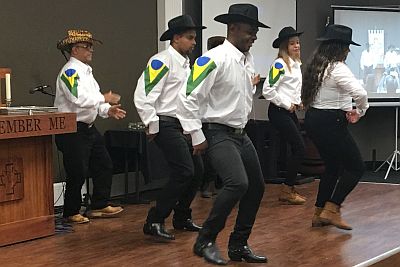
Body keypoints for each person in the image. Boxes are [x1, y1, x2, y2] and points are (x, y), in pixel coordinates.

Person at [177, 4, 269, 265]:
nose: (254, 36)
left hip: (241, 134)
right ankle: (204, 240)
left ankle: (238, 245)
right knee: (237, 183)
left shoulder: (245, 60)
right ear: (232, 28)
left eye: (256, 32)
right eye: (250, 31)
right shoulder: (213, 59)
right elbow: (187, 97)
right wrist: (196, 135)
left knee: (257, 187)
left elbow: (235, 96)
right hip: (218, 132)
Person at [134, 15, 205, 241]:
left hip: (182, 124)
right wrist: (152, 124)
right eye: (190, 38)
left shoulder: (186, 64)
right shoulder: (161, 61)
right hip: (165, 123)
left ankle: (182, 217)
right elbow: (144, 95)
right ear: (176, 38)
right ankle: (154, 220)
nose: (194, 43)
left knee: (198, 171)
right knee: (184, 171)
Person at [301, 24, 369, 230]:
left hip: (314, 120)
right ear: (340, 47)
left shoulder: (318, 66)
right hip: (331, 122)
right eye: (347, 46)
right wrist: (360, 110)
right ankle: (332, 209)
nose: (349, 51)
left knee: (332, 167)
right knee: (356, 167)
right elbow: (361, 94)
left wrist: (348, 107)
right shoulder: (338, 68)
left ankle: (318, 212)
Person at [55, 30, 126, 224]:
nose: (91, 50)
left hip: (87, 127)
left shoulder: (87, 72)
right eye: (87, 47)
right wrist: (105, 98)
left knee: (104, 164)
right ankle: (71, 212)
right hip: (71, 129)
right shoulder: (69, 71)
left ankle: (99, 205)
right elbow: (78, 99)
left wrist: (106, 110)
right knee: (77, 171)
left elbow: (93, 101)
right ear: (75, 49)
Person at [262, 26, 306, 205]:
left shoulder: (296, 65)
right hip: (279, 112)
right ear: (284, 46)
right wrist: (287, 104)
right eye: (292, 44)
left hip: (289, 111)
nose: (296, 46)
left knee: (296, 148)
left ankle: (288, 188)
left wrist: (298, 101)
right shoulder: (279, 64)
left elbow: (291, 89)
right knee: (300, 147)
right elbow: (267, 90)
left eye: (297, 43)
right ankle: (287, 188)